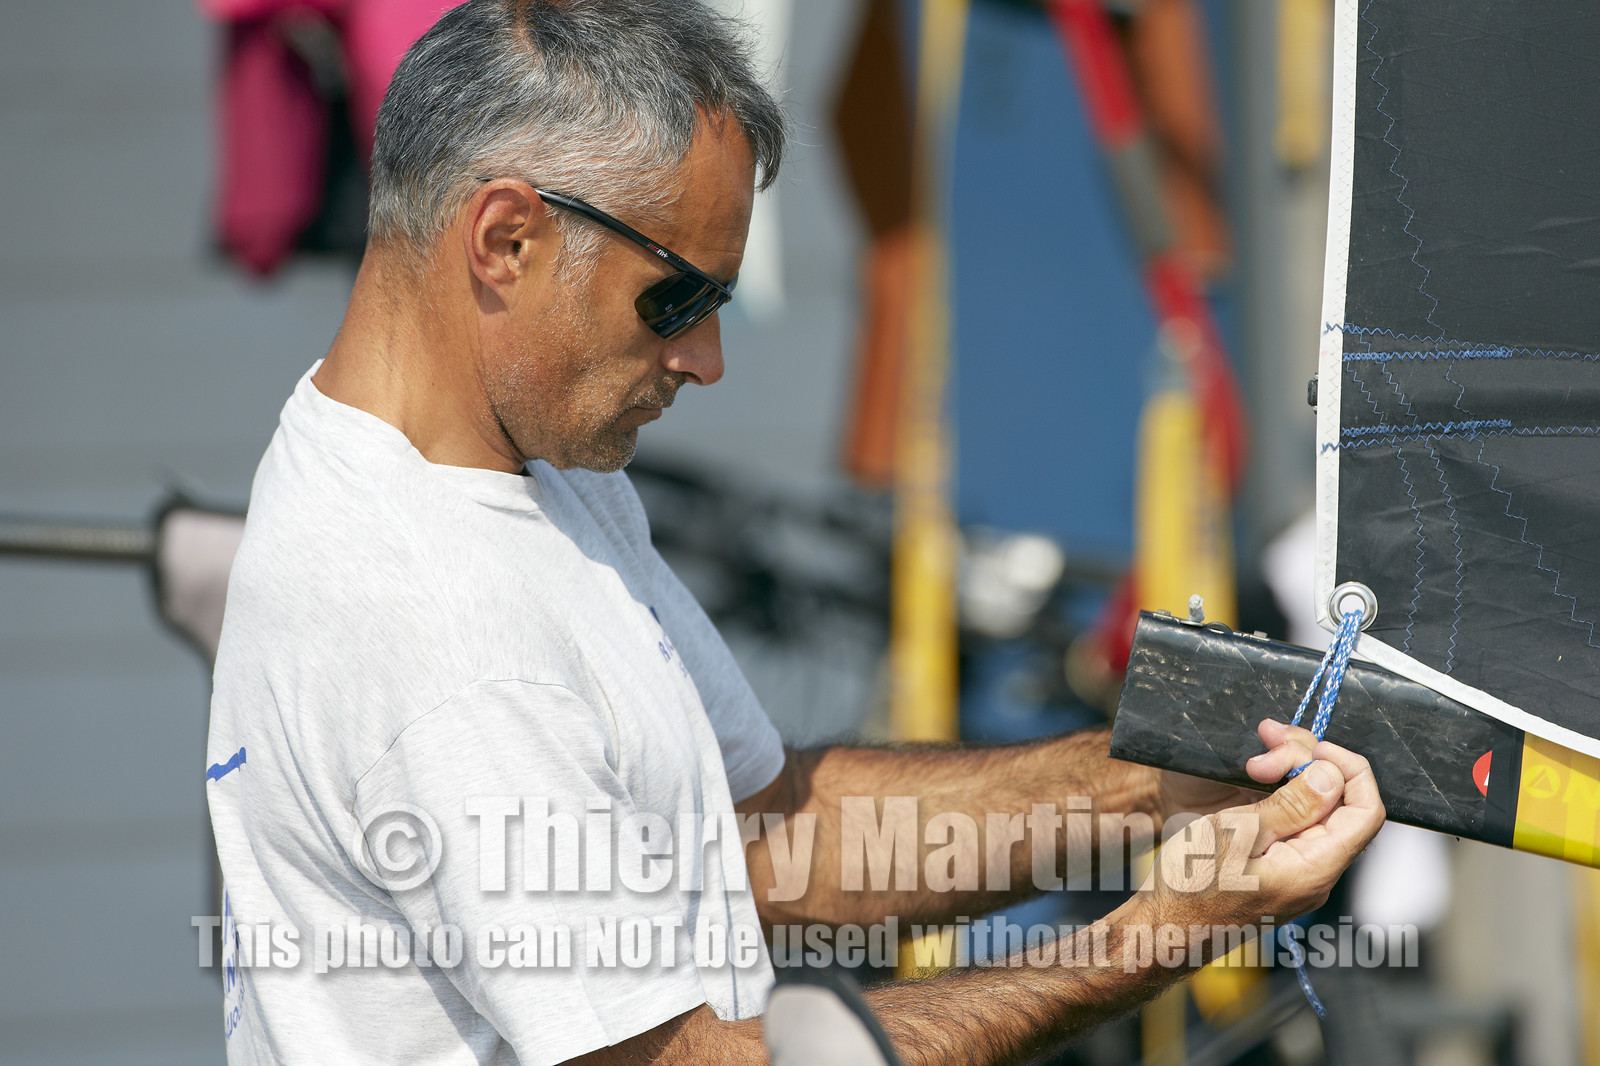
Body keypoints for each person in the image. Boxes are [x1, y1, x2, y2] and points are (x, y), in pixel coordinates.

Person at [204, 2, 1386, 1064]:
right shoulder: (438, 629)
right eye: (676, 299)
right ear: (505, 239)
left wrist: (1156, 782)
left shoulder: (508, 465)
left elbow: (770, 842)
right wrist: (1158, 936)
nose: (705, 361)